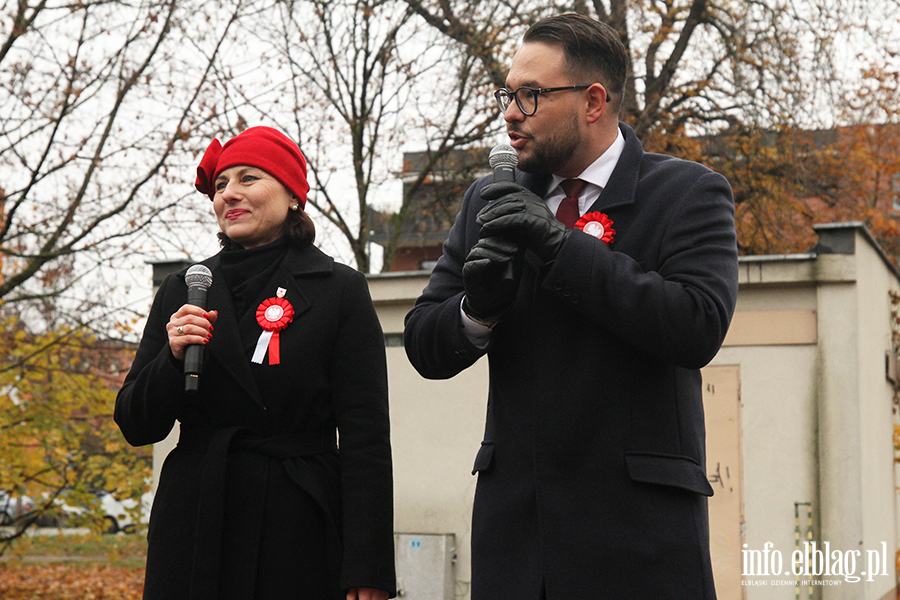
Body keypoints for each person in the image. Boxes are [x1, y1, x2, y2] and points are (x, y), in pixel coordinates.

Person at [404, 13, 738, 600]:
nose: (510, 112)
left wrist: (563, 247)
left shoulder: (688, 192)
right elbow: (425, 345)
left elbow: (697, 325)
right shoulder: (490, 197)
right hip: (518, 538)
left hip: (641, 539)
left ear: (593, 101)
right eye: (507, 94)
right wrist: (477, 311)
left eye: (531, 95)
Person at [115, 126, 396, 600]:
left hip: (297, 522)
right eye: (221, 185)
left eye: (248, 179)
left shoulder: (339, 288)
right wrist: (172, 356)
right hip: (197, 518)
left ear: (291, 195)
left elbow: (366, 435)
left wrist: (367, 565)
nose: (230, 195)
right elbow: (135, 424)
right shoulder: (184, 288)